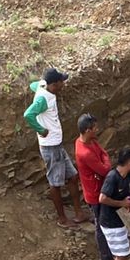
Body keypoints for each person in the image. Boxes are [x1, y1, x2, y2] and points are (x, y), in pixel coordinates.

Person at [23, 67, 89, 229]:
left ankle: (79, 213)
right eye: (61, 81)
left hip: (57, 145)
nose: (64, 84)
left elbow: (33, 85)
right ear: (55, 84)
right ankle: (62, 218)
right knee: (55, 183)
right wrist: (41, 129)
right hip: (50, 147)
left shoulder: (41, 87)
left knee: (72, 177)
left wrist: (41, 83)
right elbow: (28, 115)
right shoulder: (44, 99)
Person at [74, 114, 113, 260]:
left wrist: (104, 157)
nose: (97, 130)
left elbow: (103, 152)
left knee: (102, 221)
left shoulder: (87, 141)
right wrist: (106, 160)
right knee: (101, 225)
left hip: (95, 188)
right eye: (94, 128)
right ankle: (105, 257)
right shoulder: (86, 153)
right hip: (95, 194)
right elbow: (105, 169)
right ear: (87, 130)